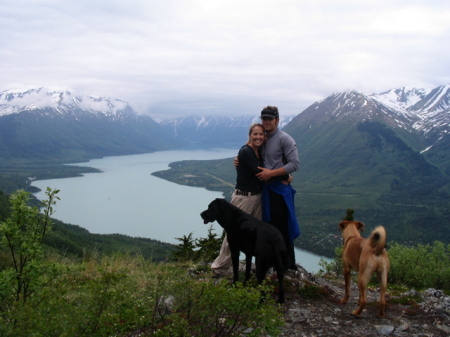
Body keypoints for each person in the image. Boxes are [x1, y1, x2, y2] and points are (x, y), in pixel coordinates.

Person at [211, 123, 265, 277]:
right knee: (234, 234)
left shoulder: (258, 152)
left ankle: (256, 266)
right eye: (255, 134)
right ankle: (219, 268)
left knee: (256, 234)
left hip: (257, 197)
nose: (258, 137)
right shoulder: (246, 151)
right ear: (250, 135)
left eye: (261, 134)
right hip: (243, 198)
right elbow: (260, 173)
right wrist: (286, 175)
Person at [256, 106, 300, 270]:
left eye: (270, 118)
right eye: (264, 119)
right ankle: (274, 261)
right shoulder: (262, 138)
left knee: (283, 226)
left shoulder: (284, 138)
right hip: (266, 189)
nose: (266, 121)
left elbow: (295, 164)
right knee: (269, 226)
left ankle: (289, 263)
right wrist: (238, 160)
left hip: (280, 190)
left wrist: (273, 174)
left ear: (277, 120)